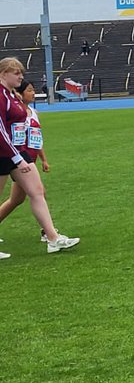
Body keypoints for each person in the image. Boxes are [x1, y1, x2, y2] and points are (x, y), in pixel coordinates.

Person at [0, 58, 78, 254]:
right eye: (16, 73)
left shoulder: (11, 95)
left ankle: (52, 238)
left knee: (37, 191)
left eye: (21, 73)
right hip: (4, 153)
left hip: (18, 152)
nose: (21, 77)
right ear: (3, 73)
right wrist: (16, 157)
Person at [0, 78, 52, 233]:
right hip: (15, 157)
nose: (33, 93)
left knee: (17, 199)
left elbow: (37, 139)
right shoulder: (14, 112)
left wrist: (43, 159)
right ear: (20, 94)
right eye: (29, 90)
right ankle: (49, 234)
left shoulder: (33, 113)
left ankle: (51, 235)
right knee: (38, 192)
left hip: (26, 159)